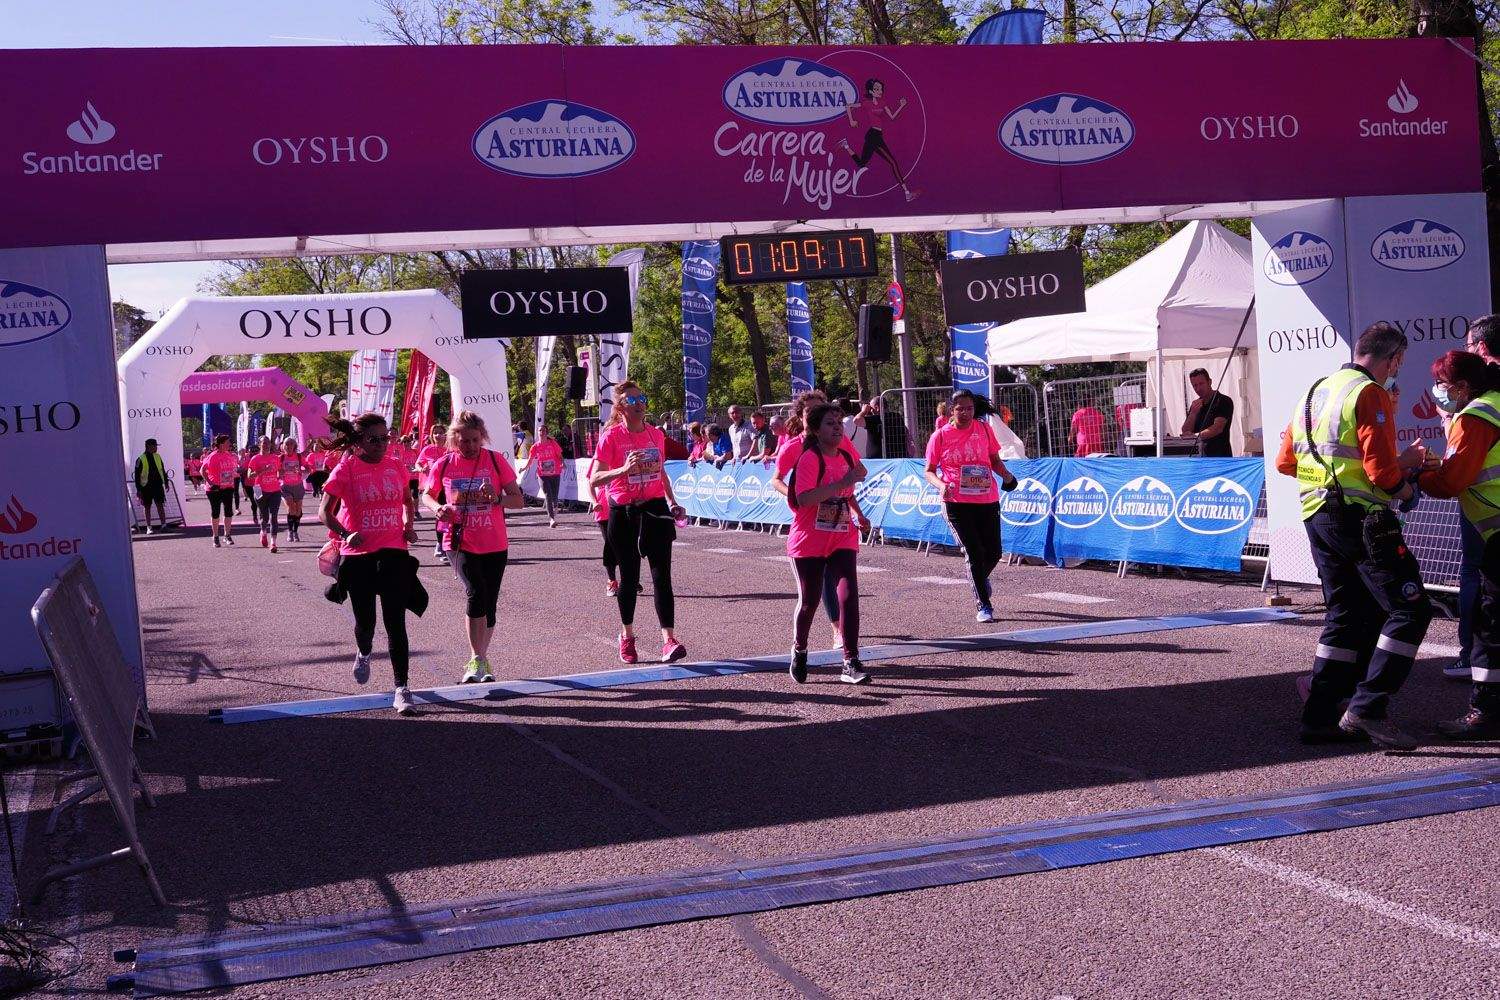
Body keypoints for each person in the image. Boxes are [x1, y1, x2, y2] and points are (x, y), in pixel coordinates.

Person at [1275, 321, 1437, 749]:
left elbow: (1285, 463)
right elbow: (1381, 474)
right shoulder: (1369, 393)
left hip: (1318, 516)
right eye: (1398, 365)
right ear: (1393, 359)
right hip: (1361, 518)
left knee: (1347, 615)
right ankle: (1368, 708)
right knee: (1410, 608)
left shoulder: (1315, 392)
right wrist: (1406, 489)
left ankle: (1319, 718)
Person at [1416, 350, 1500, 739]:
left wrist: (1421, 474)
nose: (1438, 393)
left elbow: (1453, 481)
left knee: (1489, 627)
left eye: (1443, 386)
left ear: (1463, 387)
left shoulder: (1476, 416)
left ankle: (1485, 713)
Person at [321, 413, 424, 716]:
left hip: (394, 550)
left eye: (385, 438)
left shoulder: (396, 465)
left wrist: (407, 524)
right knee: (366, 624)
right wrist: (345, 533)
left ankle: (402, 689)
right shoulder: (346, 469)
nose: (381, 444)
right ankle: (364, 651)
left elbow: (407, 499)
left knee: (396, 623)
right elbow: (324, 513)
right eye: (373, 439)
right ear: (358, 442)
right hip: (359, 557)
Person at [589, 381, 689, 665]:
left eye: (641, 398)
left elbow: (662, 473)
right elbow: (595, 478)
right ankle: (627, 635)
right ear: (621, 408)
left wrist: (672, 502)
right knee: (630, 579)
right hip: (624, 512)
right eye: (632, 400)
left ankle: (668, 639)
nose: (639, 403)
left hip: (655, 508)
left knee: (662, 578)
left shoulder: (656, 435)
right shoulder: (610, 437)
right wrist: (624, 469)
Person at [424, 411, 524, 684]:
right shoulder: (444, 464)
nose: (469, 446)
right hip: (459, 541)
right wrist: (438, 508)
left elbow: (518, 500)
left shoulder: (495, 460)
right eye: (464, 441)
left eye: (474, 440)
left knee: (489, 604)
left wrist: (497, 499)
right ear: (454, 439)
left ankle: (480, 658)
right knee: (475, 592)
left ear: (482, 438)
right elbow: (427, 495)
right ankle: (476, 659)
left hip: (494, 541)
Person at [786, 402, 872, 684]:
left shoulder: (845, 457)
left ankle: (850, 661)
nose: (837, 428)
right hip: (809, 540)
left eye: (839, 423)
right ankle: (799, 649)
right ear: (815, 430)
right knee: (809, 602)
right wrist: (842, 482)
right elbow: (804, 499)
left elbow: (847, 492)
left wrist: (859, 514)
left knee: (848, 595)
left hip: (841, 536)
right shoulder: (809, 458)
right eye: (830, 424)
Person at [925, 391, 1019, 623]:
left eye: (968, 408)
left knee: (994, 552)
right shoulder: (940, 436)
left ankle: (978, 577)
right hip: (956, 502)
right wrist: (941, 485)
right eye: (959, 409)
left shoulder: (984, 429)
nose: (965, 413)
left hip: (986, 499)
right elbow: (929, 471)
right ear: (951, 411)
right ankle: (984, 605)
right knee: (974, 552)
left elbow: (994, 460)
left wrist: (1006, 476)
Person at [838, 78, 917, 202]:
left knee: (861, 163)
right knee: (893, 163)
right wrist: (851, 120)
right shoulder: (866, 103)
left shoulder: (883, 103)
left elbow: (892, 117)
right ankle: (907, 193)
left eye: (880, 89)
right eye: (876, 89)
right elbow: (848, 106)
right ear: (871, 91)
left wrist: (901, 106)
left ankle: (846, 145)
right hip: (873, 136)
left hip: (876, 136)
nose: (880, 91)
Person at [415, 425, 451, 562]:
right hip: (434, 488)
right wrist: (421, 469)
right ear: (431, 435)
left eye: (440, 433)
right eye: (435, 433)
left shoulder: (450, 449)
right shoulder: (428, 449)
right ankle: (441, 544)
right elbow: (418, 463)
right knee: (441, 514)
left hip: (448, 487)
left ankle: (445, 544)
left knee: (450, 515)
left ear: (445, 434)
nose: (438, 435)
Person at [1182, 368, 1235, 457]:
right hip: (1198, 458)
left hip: (1219, 458)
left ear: (1209, 382)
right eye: (1194, 385)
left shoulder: (1223, 401)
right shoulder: (1196, 404)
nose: (1198, 388)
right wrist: (1193, 413)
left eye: (1201, 384)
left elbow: (1218, 428)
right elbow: (1186, 431)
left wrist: (1196, 437)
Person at [245, 437, 284, 552]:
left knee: (274, 517)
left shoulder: (275, 458)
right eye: (264, 443)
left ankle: (273, 543)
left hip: (275, 489)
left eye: (268, 443)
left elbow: (280, 471)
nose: (266, 445)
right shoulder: (255, 459)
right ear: (259, 445)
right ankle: (263, 531)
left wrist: (283, 473)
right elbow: (249, 476)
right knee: (264, 516)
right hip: (259, 489)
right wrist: (263, 470)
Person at [201, 434, 239, 547]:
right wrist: (211, 483)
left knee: (228, 511)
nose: (229, 444)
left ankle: (227, 535)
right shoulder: (212, 456)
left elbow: (232, 469)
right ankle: (215, 536)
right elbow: (202, 470)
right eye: (227, 442)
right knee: (216, 512)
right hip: (215, 488)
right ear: (221, 444)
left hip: (228, 486)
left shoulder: (229, 455)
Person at [530, 425, 565, 528]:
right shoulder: (535, 446)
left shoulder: (553, 443)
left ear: (546, 432)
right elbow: (530, 459)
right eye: (540, 430)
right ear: (538, 432)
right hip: (542, 474)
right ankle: (551, 519)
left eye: (544, 430)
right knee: (548, 495)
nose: (542, 432)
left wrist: (563, 463)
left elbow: (560, 455)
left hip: (555, 473)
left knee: (554, 496)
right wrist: (524, 468)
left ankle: (555, 506)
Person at [133, 438, 169, 534]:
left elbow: (162, 469)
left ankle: (164, 525)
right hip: (146, 487)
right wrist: (138, 489)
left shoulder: (158, 456)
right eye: (155, 446)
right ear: (149, 446)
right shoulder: (140, 459)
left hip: (157, 486)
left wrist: (166, 482)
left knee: (160, 505)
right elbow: (137, 476)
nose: (156, 447)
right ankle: (149, 527)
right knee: (147, 506)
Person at [277, 438, 307, 542]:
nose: (288, 447)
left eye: (291, 445)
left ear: (294, 446)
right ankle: (290, 532)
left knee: (298, 511)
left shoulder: (299, 457)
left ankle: (295, 531)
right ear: (283, 446)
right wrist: (281, 472)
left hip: (298, 486)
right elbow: (277, 472)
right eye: (286, 444)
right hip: (285, 486)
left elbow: (308, 468)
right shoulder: (280, 458)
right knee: (291, 508)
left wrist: (301, 470)